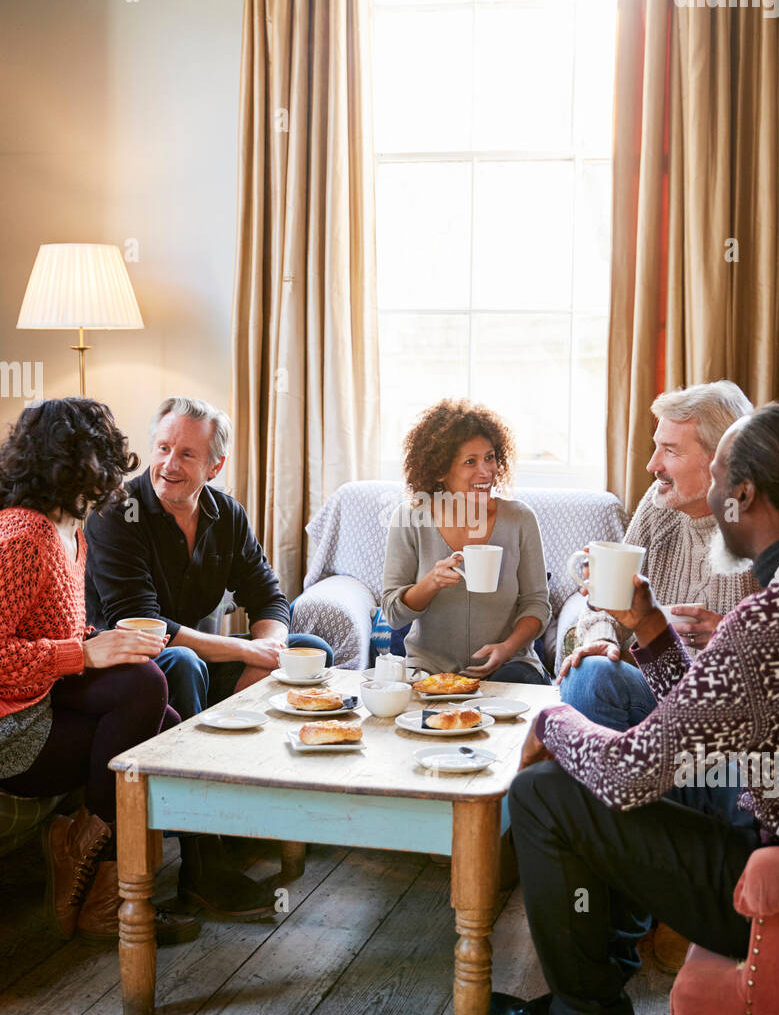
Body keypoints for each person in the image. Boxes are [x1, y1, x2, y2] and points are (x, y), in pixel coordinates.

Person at [448, 404, 779, 1015]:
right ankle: (578, 1008)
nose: (711, 496)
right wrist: (649, 628)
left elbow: (632, 771)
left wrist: (551, 718)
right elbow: (704, 723)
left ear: (745, 495)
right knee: (582, 773)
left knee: (548, 793)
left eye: (720, 479)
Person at [84, 395, 334, 917]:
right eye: (163, 448)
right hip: (126, 669)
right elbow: (144, 625)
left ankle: (256, 816)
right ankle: (201, 866)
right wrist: (246, 649)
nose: (169, 465)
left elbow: (269, 597)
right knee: (184, 664)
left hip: (195, 659)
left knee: (311, 652)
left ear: (215, 466)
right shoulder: (117, 513)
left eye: (186, 454)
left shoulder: (226, 514)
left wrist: (268, 652)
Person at [0, 398, 197, 946]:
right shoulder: (23, 538)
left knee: (163, 720)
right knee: (146, 687)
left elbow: (49, 630)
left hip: (42, 700)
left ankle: (108, 884)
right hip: (11, 730)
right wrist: (84, 655)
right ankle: (97, 880)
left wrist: (105, 642)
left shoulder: (72, 532)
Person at [558, 381, 757, 731]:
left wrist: (733, 636)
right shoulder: (659, 507)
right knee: (588, 674)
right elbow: (606, 604)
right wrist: (602, 639)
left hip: (728, 712)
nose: (652, 465)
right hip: (657, 691)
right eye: (656, 447)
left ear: (722, 459)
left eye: (670, 450)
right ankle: (616, 765)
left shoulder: (763, 526)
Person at [381, 400, 552, 684]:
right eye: (470, 462)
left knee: (514, 687)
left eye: (490, 457)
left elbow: (537, 604)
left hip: (511, 666)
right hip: (431, 671)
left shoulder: (520, 518)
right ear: (440, 470)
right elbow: (393, 613)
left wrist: (508, 649)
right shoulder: (410, 518)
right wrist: (431, 582)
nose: (486, 472)